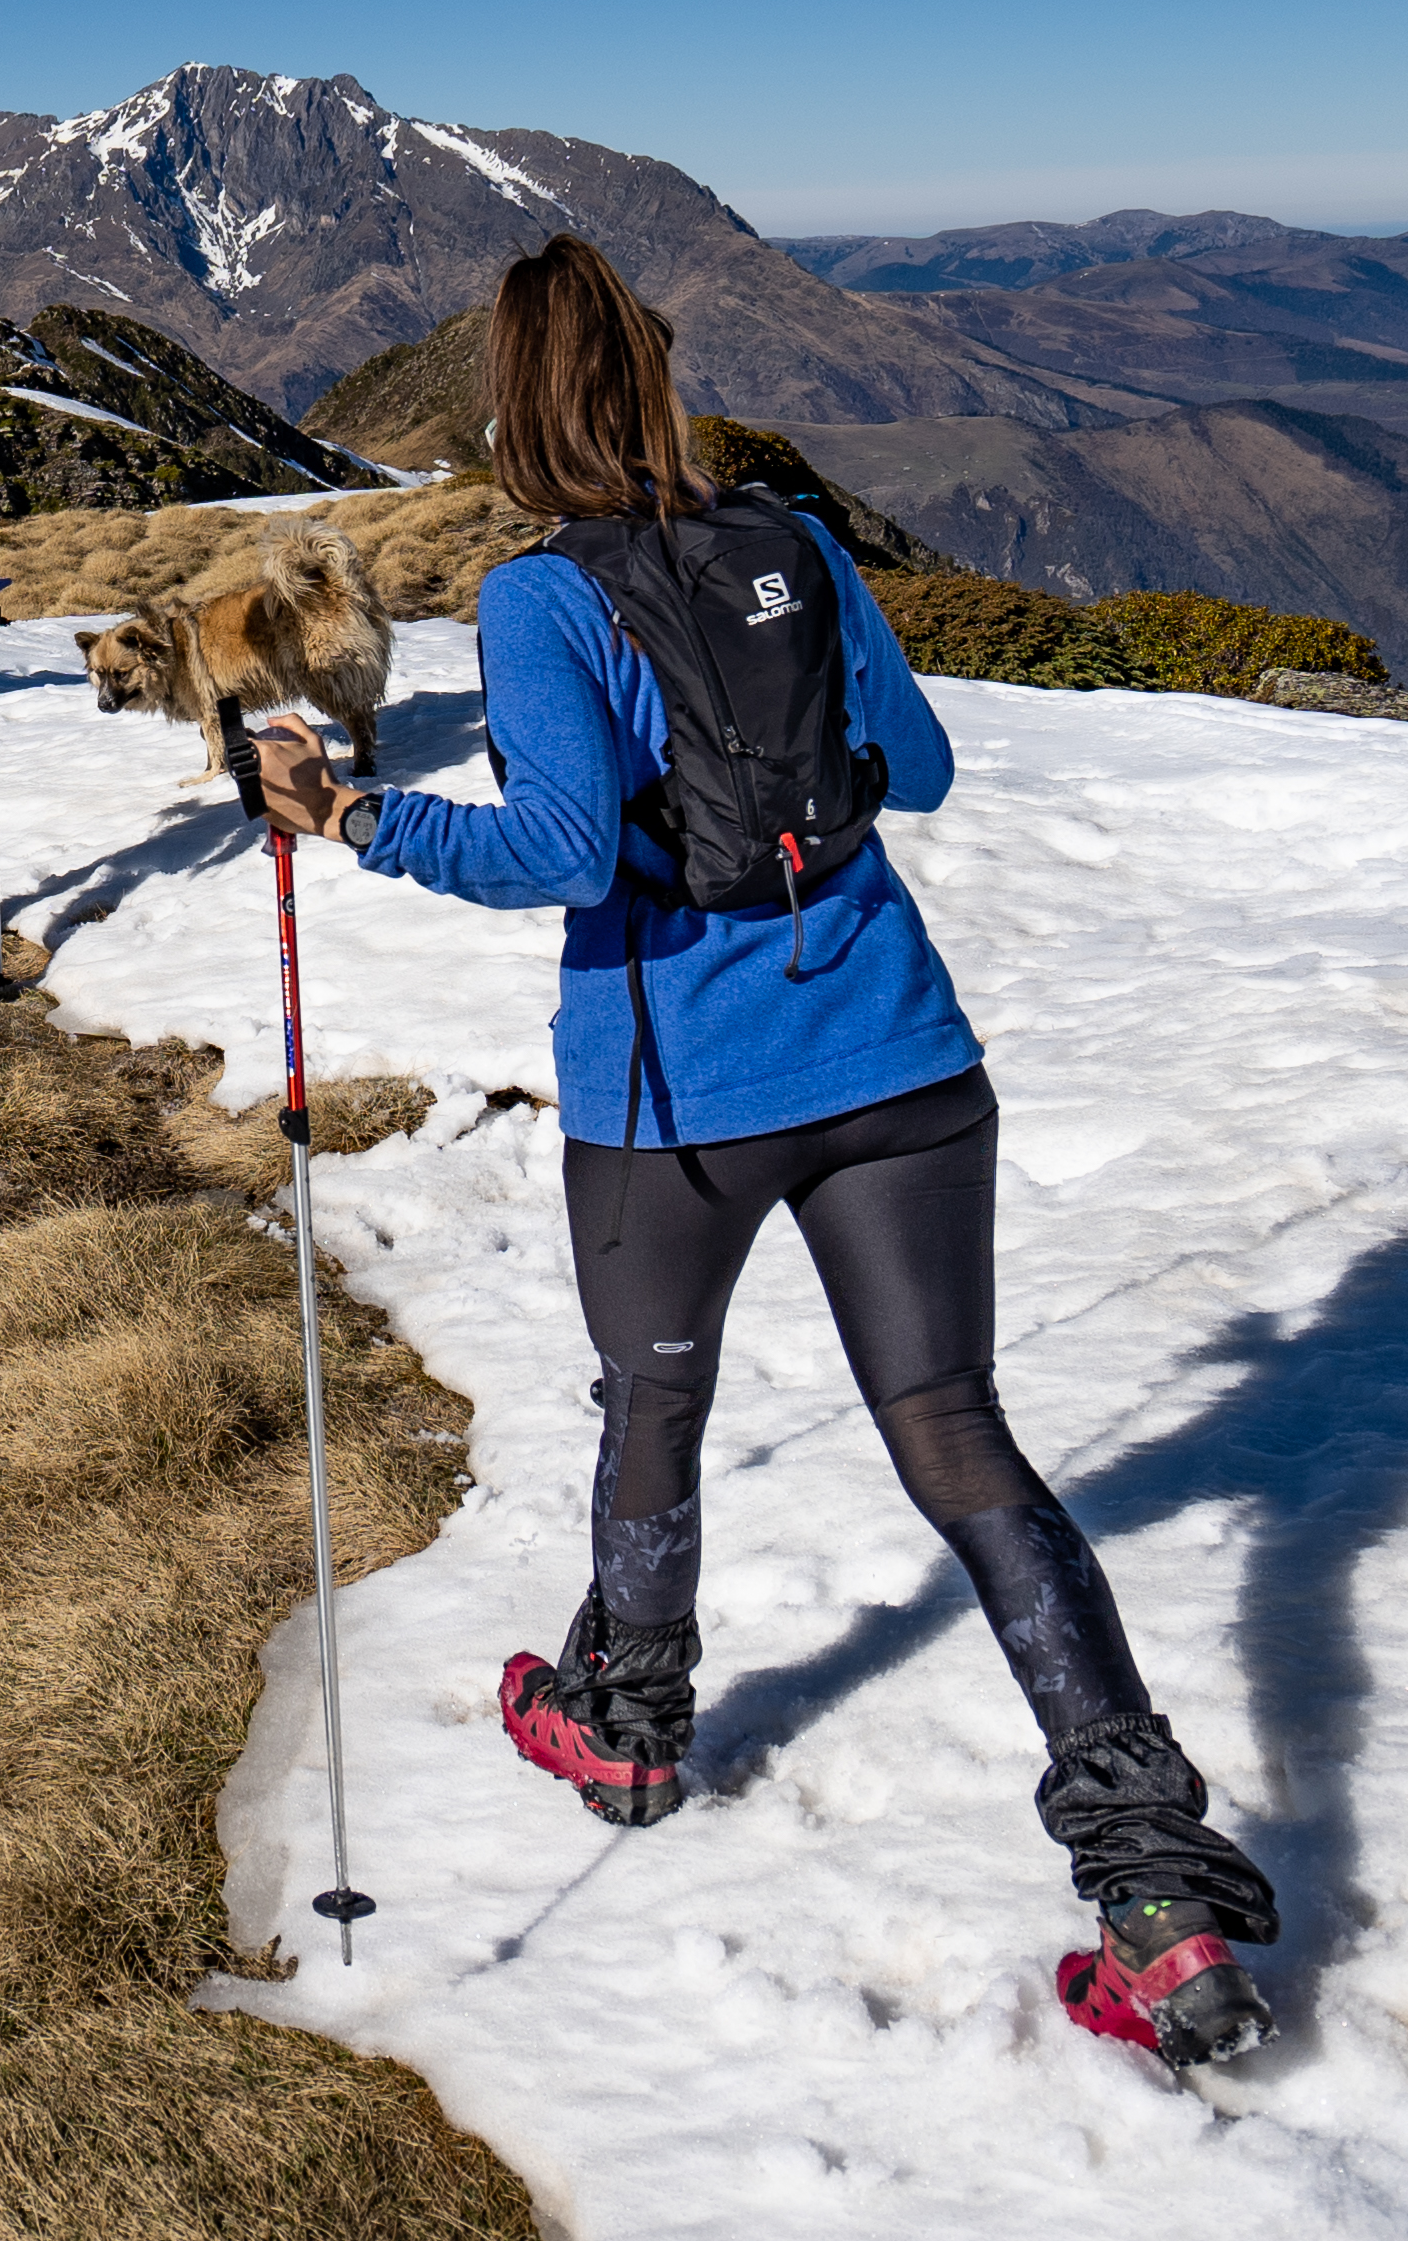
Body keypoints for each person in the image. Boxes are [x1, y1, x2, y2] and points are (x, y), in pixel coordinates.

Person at [243, 232, 1284, 2068]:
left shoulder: (544, 598)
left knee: (655, 1410)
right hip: (897, 1052)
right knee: (962, 1444)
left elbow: (562, 852)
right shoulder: (788, 546)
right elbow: (929, 769)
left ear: (510, 402)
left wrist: (355, 817)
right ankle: (1160, 1896)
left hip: (682, 1096)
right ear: (651, 379)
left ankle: (631, 1728)